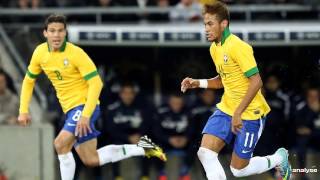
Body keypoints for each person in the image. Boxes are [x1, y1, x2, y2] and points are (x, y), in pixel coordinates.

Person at [17, 14, 166, 180]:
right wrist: (23, 110)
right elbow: (28, 81)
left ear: (65, 32)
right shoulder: (39, 52)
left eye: (60, 31)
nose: (56, 35)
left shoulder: (76, 53)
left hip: (85, 106)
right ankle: (143, 148)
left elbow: (96, 83)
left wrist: (86, 115)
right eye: (52, 31)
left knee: (60, 144)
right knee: (91, 159)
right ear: (45, 33)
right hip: (70, 111)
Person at [180, 1, 291, 179]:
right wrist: (198, 83)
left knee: (239, 170)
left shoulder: (238, 47)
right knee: (205, 153)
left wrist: (238, 112)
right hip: (227, 108)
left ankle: (279, 158)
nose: (206, 29)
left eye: (210, 24)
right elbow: (223, 80)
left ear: (223, 24)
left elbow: (257, 81)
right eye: (205, 24)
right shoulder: (214, 48)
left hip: (250, 113)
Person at [104, 82, 150, 179]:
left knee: (148, 144)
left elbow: (147, 126)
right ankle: (117, 176)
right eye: (125, 93)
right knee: (113, 145)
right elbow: (110, 129)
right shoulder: (112, 109)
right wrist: (127, 137)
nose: (128, 96)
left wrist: (139, 135)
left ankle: (145, 176)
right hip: (119, 138)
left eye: (130, 93)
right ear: (120, 94)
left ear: (134, 94)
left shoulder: (141, 108)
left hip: (137, 137)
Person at [153, 93, 194, 180]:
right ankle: (161, 173)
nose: (176, 105)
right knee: (154, 146)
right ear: (169, 102)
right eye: (174, 103)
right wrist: (168, 139)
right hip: (166, 141)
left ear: (183, 103)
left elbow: (193, 128)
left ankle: (185, 172)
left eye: (179, 103)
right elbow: (156, 131)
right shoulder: (161, 111)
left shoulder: (188, 111)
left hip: (184, 142)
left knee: (196, 145)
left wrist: (186, 138)